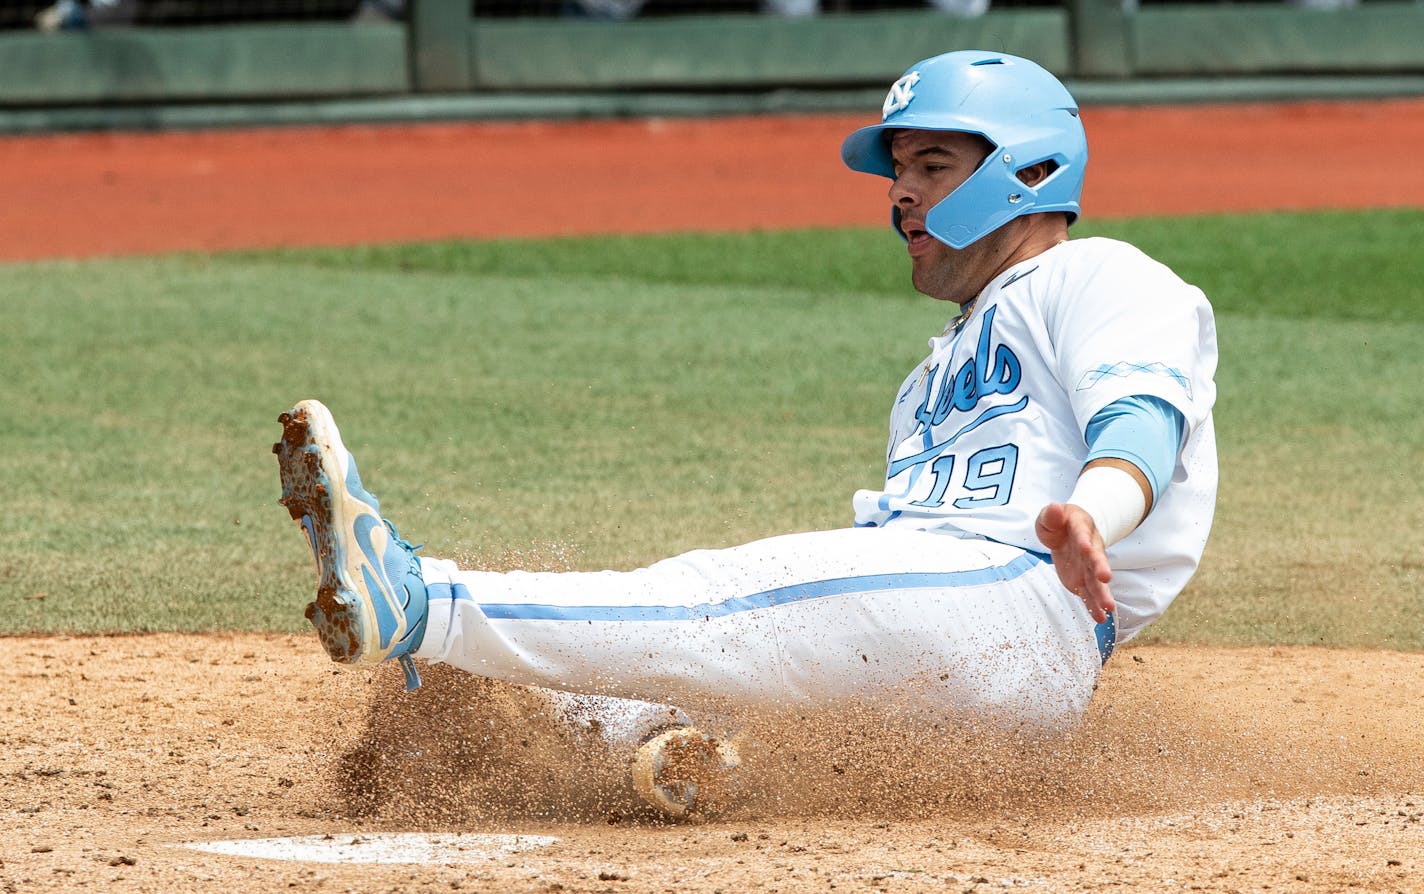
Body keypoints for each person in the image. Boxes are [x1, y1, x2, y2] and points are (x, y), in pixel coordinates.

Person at [274, 49, 1217, 819]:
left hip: (1016, 604)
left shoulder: (1098, 275)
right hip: (955, 658)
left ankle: (418, 603)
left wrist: (1092, 514)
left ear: (1030, 173)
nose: (901, 195)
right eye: (898, 170)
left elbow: (1141, 415)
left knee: (720, 599)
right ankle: (681, 750)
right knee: (680, 660)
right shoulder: (934, 371)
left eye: (933, 167)